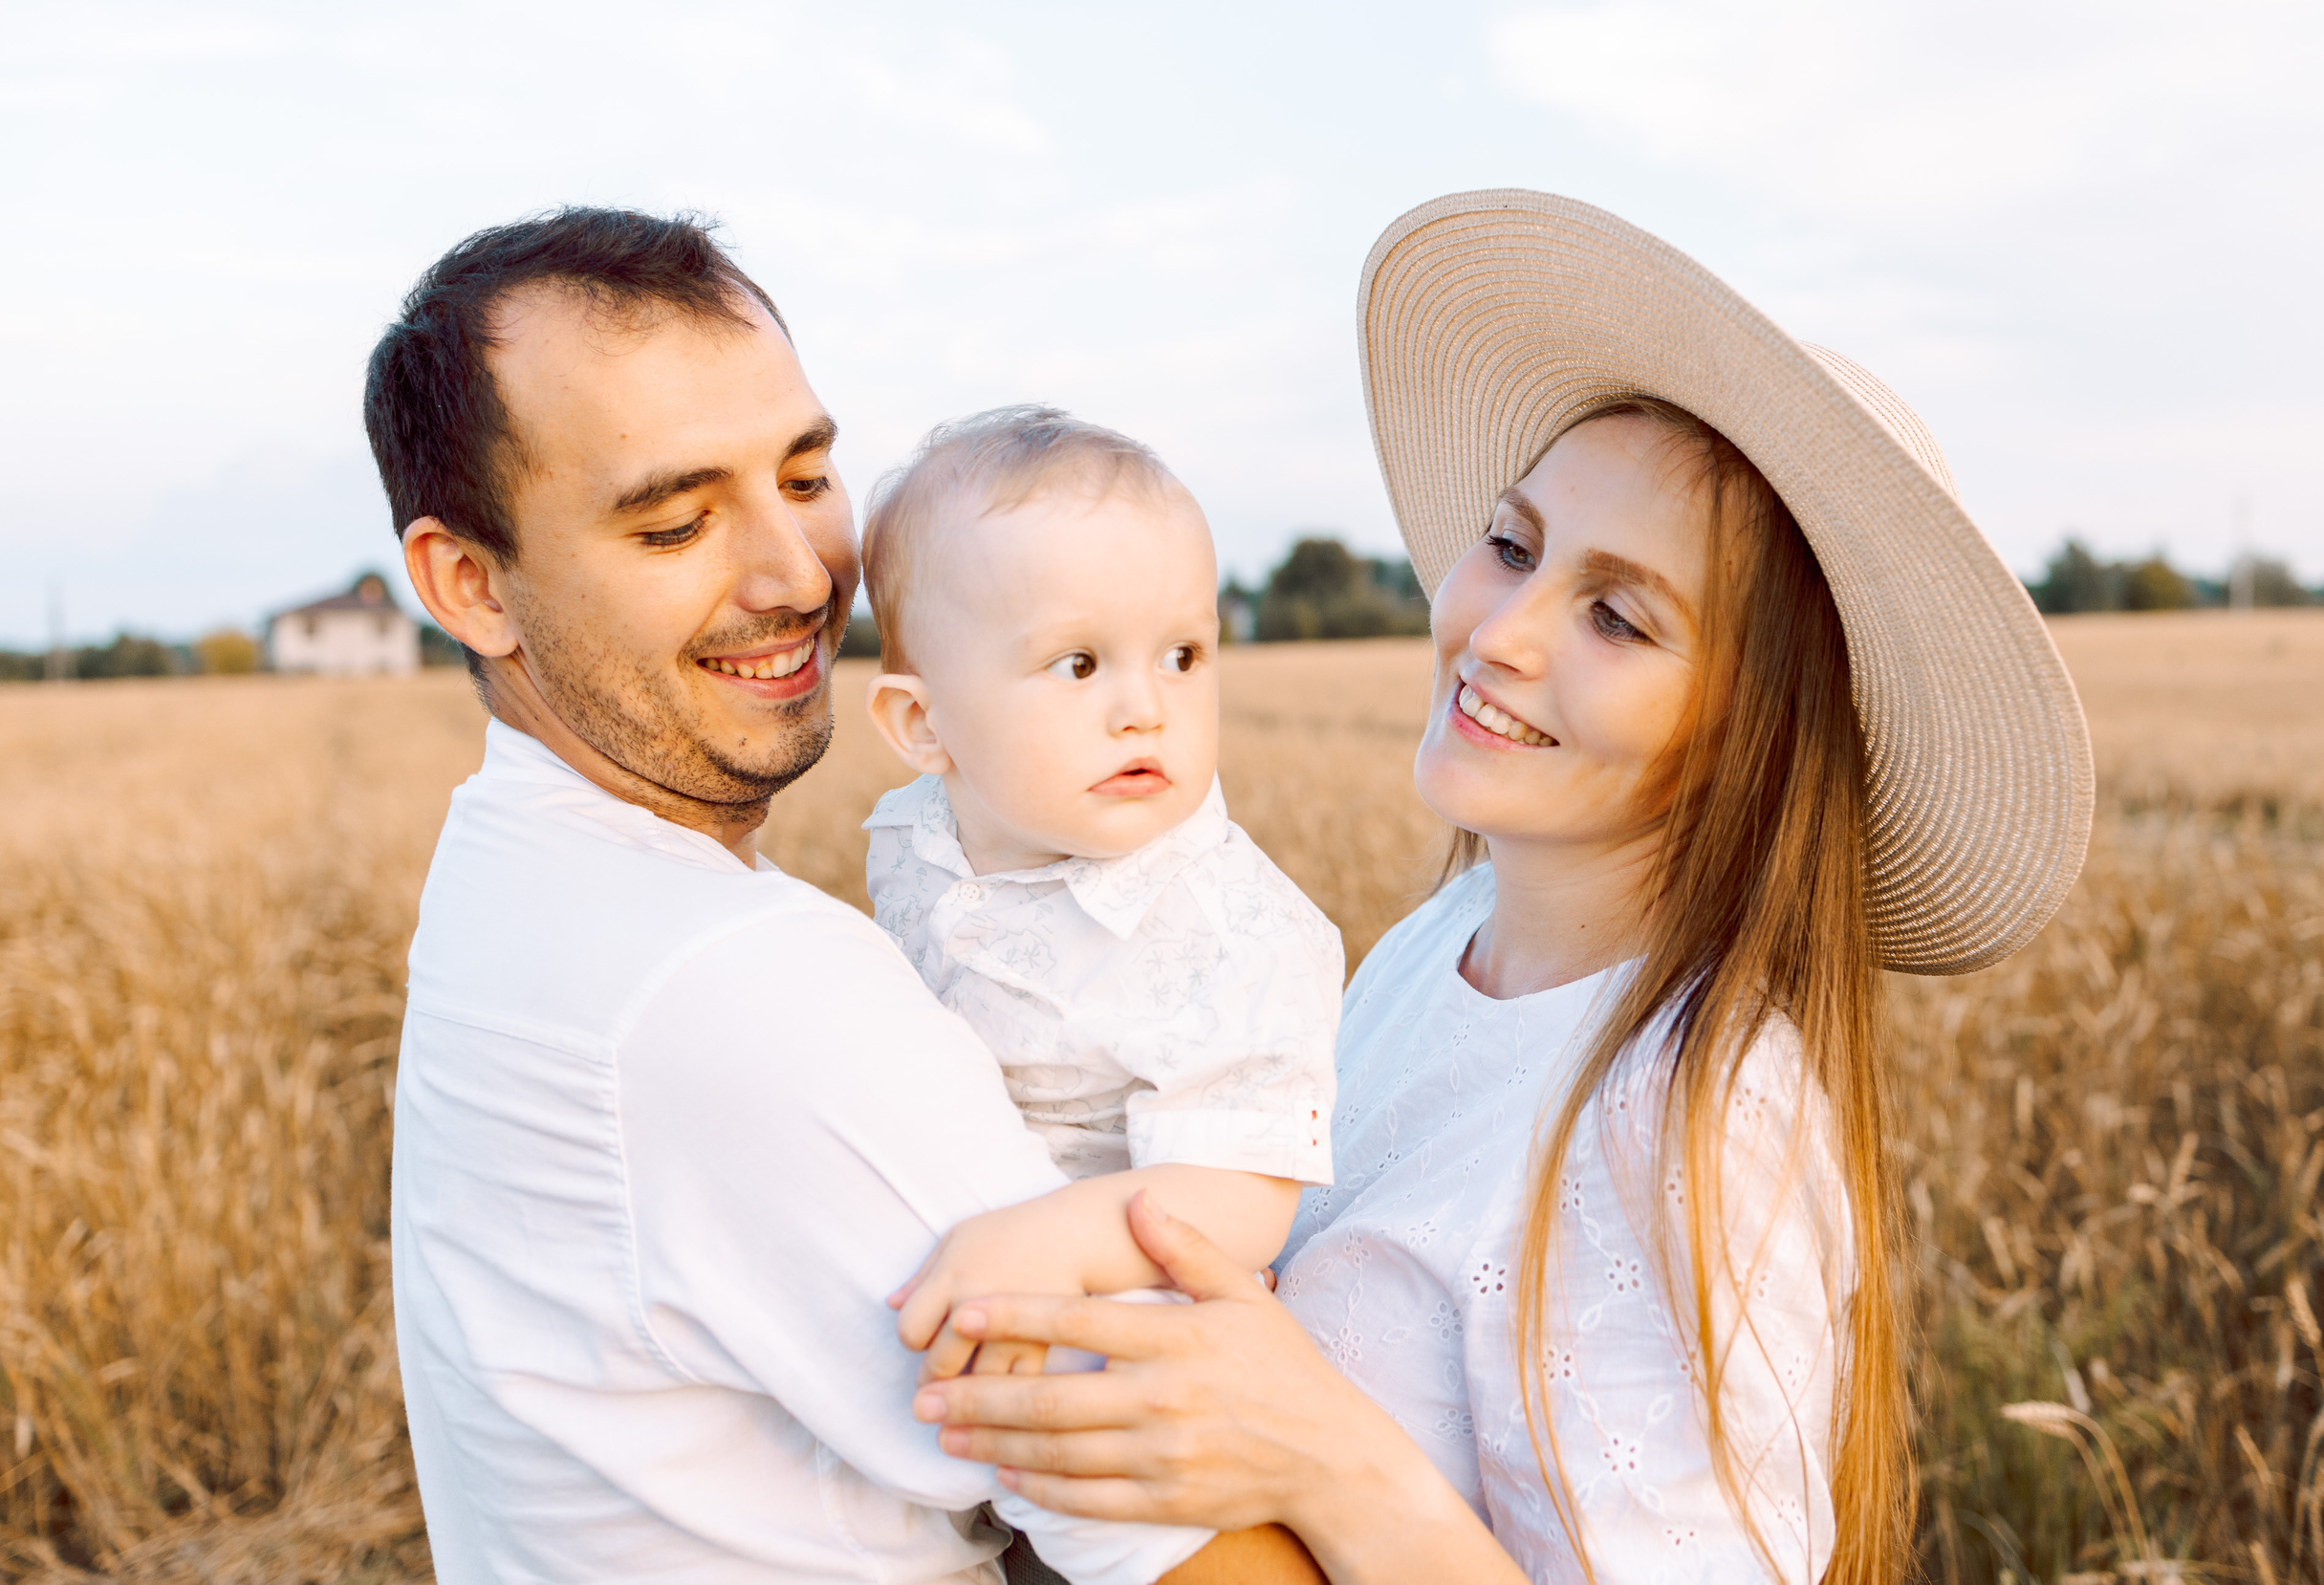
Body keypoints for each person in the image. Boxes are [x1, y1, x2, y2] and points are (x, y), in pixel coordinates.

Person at [906, 189, 2096, 1584]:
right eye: (1516, 544)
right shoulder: (1435, 945)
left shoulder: (1702, 1119)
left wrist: (1322, 1453)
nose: (1500, 631)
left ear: (1753, 731)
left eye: (1616, 614)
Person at [370, 206, 1315, 1583]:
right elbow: (1210, 1551)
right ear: (471, 582)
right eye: (678, 519)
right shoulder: (734, 982)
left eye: (806, 474)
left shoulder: (505, 874)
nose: (800, 572)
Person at [855, 404, 1341, 1380]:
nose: (1144, 708)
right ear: (921, 724)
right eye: (1078, 663)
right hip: (926, 1249)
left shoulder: (1235, 930)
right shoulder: (913, 837)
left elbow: (1246, 1193)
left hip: (1120, 1303)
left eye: (1182, 656)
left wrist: (1053, 1240)